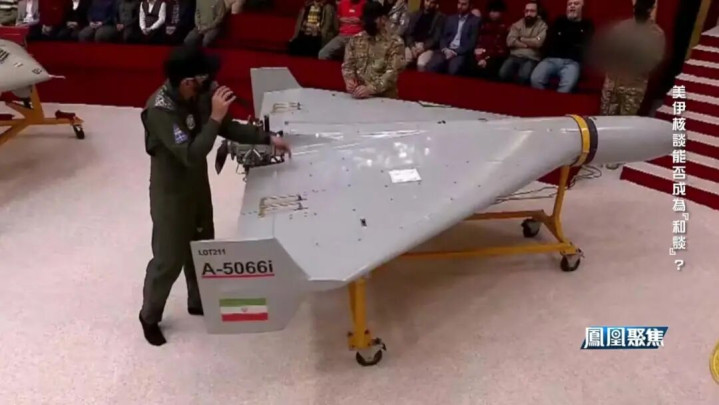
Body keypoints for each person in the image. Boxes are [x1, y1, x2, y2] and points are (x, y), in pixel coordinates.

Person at [138, 45, 291, 346]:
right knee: (169, 258)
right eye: (205, 76)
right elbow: (192, 154)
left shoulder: (199, 95)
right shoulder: (159, 110)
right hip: (172, 194)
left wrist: (266, 138)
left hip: (197, 185)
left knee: (201, 246)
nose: (212, 81)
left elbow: (228, 128)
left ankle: (198, 300)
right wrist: (214, 118)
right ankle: (149, 316)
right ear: (187, 81)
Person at [593, 0, 665, 116]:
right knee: (604, 120)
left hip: (633, 89)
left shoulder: (655, 34)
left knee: (625, 123)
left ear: (651, 9)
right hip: (612, 85)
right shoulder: (621, 27)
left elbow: (652, 60)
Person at [341, 0, 405, 99]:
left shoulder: (395, 43)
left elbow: (393, 73)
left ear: (383, 19)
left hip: (384, 98)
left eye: (372, 19)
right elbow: (348, 65)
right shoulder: (355, 40)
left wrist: (371, 89)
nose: (368, 23)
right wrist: (349, 80)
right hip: (359, 97)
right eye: (366, 19)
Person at [529, 0, 594, 93]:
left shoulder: (587, 24)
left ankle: (555, 102)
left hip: (572, 62)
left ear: (582, 7)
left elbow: (585, 44)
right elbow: (550, 39)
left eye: (576, 4)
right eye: (569, 4)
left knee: (567, 86)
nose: (572, 6)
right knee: (535, 79)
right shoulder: (559, 21)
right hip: (551, 59)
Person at [424, 0, 480, 76]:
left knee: (454, 69)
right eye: (459, 3)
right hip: (446, 49)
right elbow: (443, 37)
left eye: (463, 4)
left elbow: (471, 43)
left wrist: (455, 52)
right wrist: (445, 49)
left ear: (470, 6)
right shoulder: (450, 18)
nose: (460, 6)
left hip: (460, 53)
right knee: (432, 65)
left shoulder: (475, 21)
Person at [498, 0, 547, 85]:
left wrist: (520, 38)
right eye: (526, 11)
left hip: (531, 58)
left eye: (532, 11)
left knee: (523, 77)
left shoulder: (542, 26)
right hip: (514, 56)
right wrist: (528, 44)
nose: (528, 14)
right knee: (502, 74)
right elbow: (510, 41)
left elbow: (538, 41)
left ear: (538, 12)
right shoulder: (517, 24)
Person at [402, 0, 444, 71]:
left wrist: (424, 47)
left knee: (421, 64)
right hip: (413, 45)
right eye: (427, 1)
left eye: (432, 2)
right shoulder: (415, 14)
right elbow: (409, 33)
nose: (428, 4)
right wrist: (412, 46)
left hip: (428, 47)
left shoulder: (440, 18)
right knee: (403, 61)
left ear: (436, 4)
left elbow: (436, 38)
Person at [472, 0, 508, 79]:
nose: (492, 13)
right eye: (490, 11)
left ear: (501, 12)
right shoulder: (483, 25)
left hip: (494, 57)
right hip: (480, 54)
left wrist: (486, 59)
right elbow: (478, 42)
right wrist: (479, 57)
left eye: (495, 11)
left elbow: (501, 50)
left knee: (490, 67)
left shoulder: (505, 28)